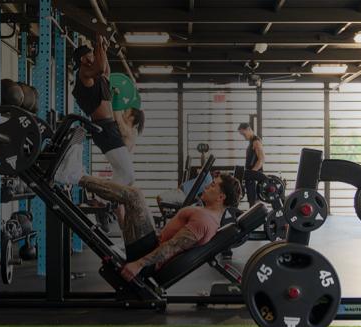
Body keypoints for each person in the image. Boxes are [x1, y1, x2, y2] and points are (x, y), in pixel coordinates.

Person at [51, 142, 241, 280]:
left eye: (213, 186)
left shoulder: (204, 221)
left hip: (147, 259)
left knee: (134, 195)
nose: (207, 186)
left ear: (221, 197)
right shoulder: (208, 216)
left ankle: (74, 175)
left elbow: (172, 246)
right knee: (133, 195)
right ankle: (76, 174)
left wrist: (138, 264)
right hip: (151, 244)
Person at [72, 36, 137, 186]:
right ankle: (100, 196)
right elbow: (101, 68)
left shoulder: (98, 77)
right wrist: (98, 43)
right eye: (91, 54)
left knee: (124, 175)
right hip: (104, 129)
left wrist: (103, 49)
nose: (94, 57)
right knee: (127, 175)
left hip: (109, 128)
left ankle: (104, 197)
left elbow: (106, 70)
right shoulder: (83, 73)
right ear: (83, 59)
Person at [238, 123, 264, 207]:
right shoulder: (252, 142)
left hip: (254, 177)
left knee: (254, 202)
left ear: (249, 129)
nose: (244, 136)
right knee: (251, 201)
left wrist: (252, 173)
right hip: (251, 177)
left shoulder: (256, 142)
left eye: (244, 134)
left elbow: (261, 159)